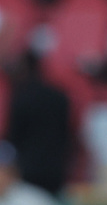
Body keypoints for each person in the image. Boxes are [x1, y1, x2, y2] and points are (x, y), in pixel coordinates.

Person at [3, 50, 73, 197]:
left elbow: (14, 136)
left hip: (28, 169)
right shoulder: (59, 96)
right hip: (56, 168)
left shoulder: (21, 98)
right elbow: (68, 133)